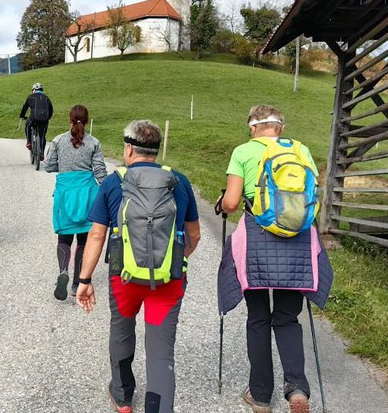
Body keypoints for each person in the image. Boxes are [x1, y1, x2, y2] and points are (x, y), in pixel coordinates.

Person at [76, 120, 201, 413]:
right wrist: (172, 261)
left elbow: (96, 235)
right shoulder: (179, 181)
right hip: (168, 280)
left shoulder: (113, 181)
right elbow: (194, 236)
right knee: (161, 353)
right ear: (155, 151)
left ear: (129, 148)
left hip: (125, 278)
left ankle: (122, 397)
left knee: (121, 331)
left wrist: (84, 278)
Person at [215, 104, 333, 413]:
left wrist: (223, 204)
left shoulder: (243, 151)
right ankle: (297, 389)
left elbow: (230, 202)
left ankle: (261, 395)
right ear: (279, 127)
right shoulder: (301, 150)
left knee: (258, 318)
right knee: (287, 318)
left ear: (254, 127)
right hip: (297, 240)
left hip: (257, 238)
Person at [44, 104, 108, 301]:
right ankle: (77, 282)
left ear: (69, 119)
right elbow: (100, 171)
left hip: (65, 192)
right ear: (87, 120)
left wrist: (62, 167)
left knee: (64, 237)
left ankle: (63, 271)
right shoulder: (94, 143)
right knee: (83, 239)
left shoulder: (58, 141)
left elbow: (48, 166)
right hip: (87, 193)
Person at [19, 82, 53, 159]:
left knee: (28, 125)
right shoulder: (47, 98)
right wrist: (48, 117)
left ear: (34, 90)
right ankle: (41, 154)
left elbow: (25, 107)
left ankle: (29, 142)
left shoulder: (31, 97)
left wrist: (22, 116)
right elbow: (51, 109)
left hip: (34, 117)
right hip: (45, 119)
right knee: (42, 136)